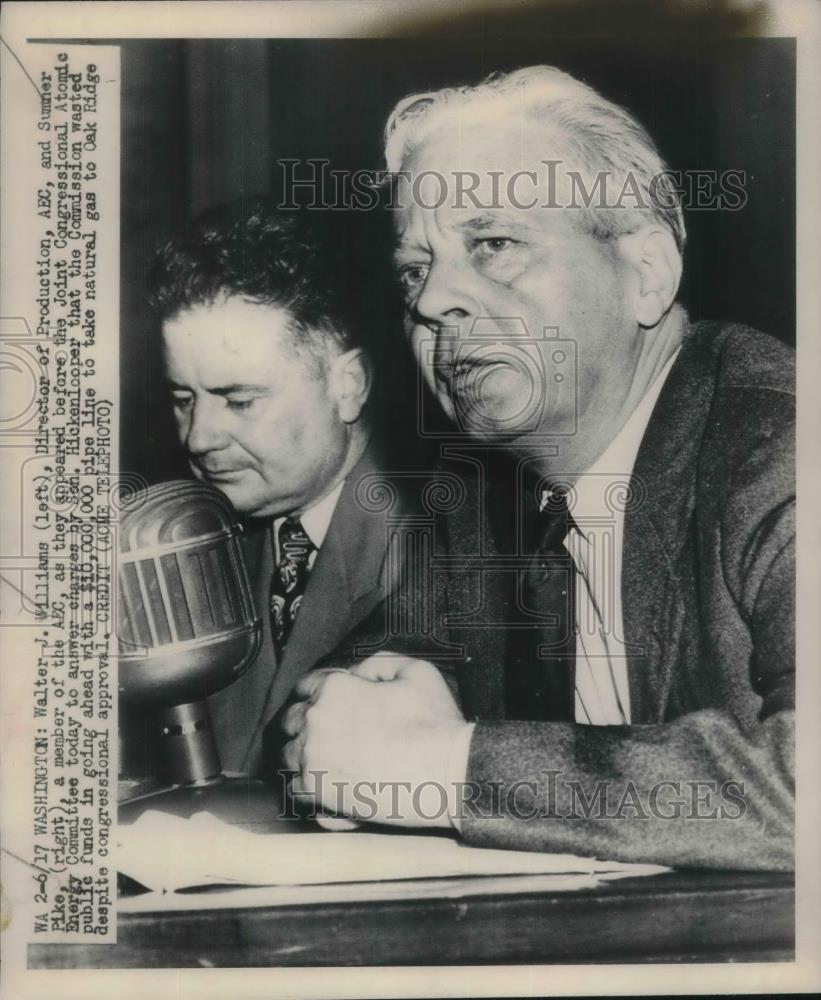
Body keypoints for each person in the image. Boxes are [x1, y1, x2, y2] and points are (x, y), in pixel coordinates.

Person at [281, 66, 795, 870]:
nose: (432, 300)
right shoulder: (490, 500)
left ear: (646, 273)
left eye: (493, 244)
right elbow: (346, 699)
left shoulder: (782, 449)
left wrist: (440, 767)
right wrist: (369, 712)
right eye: (415, 269)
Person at [139, 199, 404, 778]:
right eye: (183, 400)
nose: (201, 437)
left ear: (348, 386)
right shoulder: (192, 550)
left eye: (240, 400)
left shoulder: (450, 548)